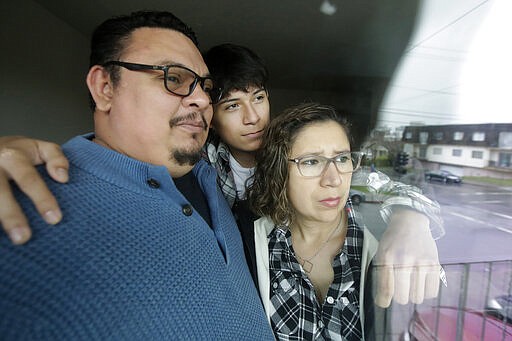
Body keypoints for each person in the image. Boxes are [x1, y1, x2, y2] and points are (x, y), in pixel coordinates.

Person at [0, 43, 442, 308]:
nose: (253, 118)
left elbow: (370, 180)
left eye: (260, 97)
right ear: (211, 114)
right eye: (232, 106)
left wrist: (411, 218)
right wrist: (26, 152)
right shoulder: (200, 166)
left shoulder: (298, 150)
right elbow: (128, 158)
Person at [0, 10, 275, 340]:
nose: (203, 99)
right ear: (104, 87)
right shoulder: (24, 204)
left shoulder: (210, 177)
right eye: (173, 78)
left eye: (206, 85)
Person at [247, 102, 377, 339]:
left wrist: (412, 219)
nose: (333, 179)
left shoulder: (379, 247)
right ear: (279, 171)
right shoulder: (251, 245)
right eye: (311, 161)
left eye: (342, 159)